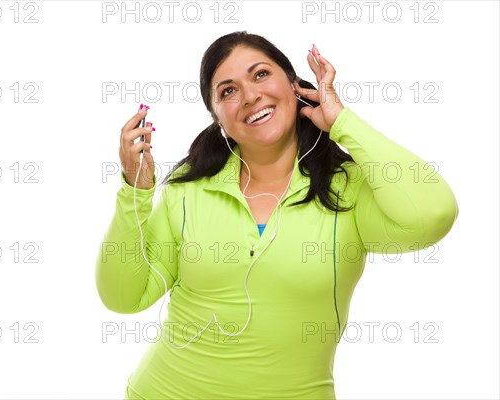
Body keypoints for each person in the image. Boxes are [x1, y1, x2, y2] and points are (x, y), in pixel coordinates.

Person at [96, 31, 458, 399]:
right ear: (217, 119)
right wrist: (134, 192)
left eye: (260, 75)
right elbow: (124, 297)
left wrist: (343, 123)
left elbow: (434, 213)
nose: (250, 96)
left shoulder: (347, 191)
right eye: (228, 91)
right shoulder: (188, 193)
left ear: (295, 85)